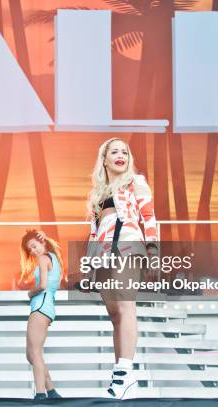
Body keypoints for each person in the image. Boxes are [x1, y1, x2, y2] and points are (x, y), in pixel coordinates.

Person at [87, 137, 158, 399]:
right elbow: (93, 232)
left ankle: (124, 372)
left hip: (129, 244)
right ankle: (124, 377)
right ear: (104, 159)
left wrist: (152, 249)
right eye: (114, 151)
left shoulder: (135, 182)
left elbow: (149, 216)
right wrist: (88, 265)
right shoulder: (97, 193)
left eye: (125, 152)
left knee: (126, 305)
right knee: (114, 312)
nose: (120, 155)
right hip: (104, 252)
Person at [17, 229, 63, 400]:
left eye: (34, 246)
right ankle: (51, 391)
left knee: (34, 353)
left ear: (42, 242)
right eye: (30, 250)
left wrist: (30, 293)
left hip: (41, 305)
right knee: (30, 354)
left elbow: (43, 285)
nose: (33, 251)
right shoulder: (53, 258)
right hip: (44, 306)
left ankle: (41, 394)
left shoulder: (44, 258)